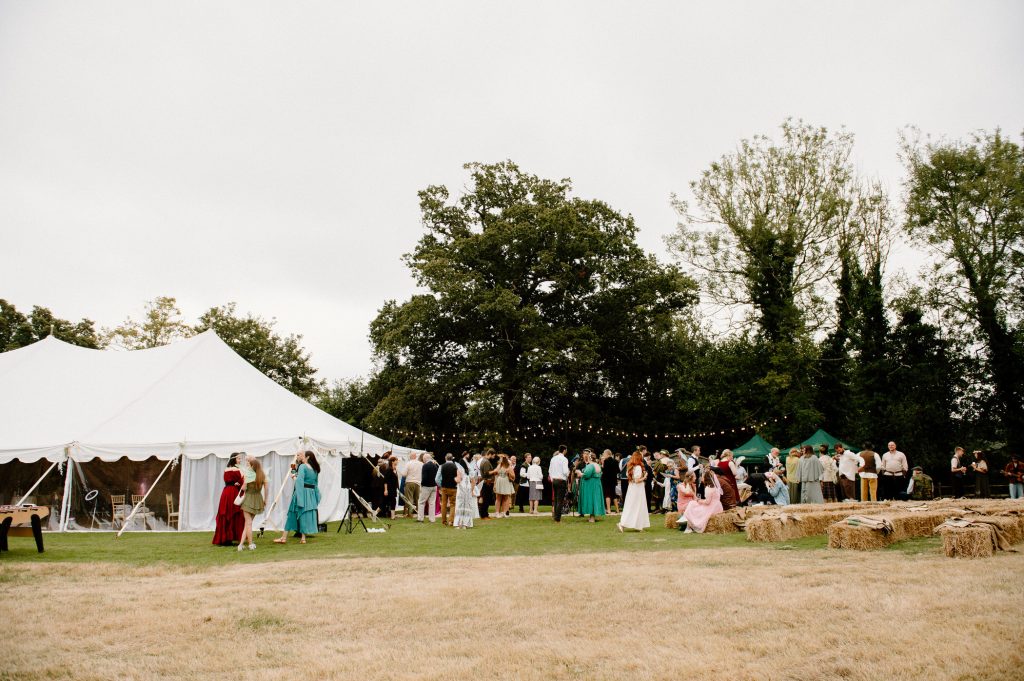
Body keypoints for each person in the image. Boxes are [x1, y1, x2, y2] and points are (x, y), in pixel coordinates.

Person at [275, 451, 320, 544]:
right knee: (304, 514)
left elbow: (299, 481)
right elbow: (315, 484)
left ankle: (284, 538)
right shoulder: (315, 469)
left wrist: (294, 477)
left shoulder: (303, 466)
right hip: (310, 494)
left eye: (302, 455)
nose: (300, 457)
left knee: (292, 514)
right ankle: (303, 538)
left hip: (302, 493)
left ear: (307, 457)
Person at [212, 453, 245, 546]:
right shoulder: (237, 470)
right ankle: (232, 537)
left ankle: (225, 538)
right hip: (233, 493)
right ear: (234, 459)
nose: (240, 460)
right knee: (233, 513)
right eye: (238, 458)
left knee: (226, 513)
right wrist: (238, 482)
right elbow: (243, 481)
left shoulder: (226, 470)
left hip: (226, 493)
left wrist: (237, 482)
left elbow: (230, 481)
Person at [237, 455, 268, 551]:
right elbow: (267, 489)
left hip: (248, 499)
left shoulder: (248, 474)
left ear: (252, 465)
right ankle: (241, 545)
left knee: (248, 523)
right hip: (258, 499)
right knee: (249, 523)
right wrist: (265, 500)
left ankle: (248, 544)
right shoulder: (263, 475)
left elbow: (243, 488)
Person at [617, 451, 649, 532]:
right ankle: (623, 524)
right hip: (637, 489)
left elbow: (630, 478)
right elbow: (637, 480)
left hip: (632, 488)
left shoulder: (630, 467)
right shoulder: (638, 467)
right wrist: (644, 477)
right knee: (637, 506)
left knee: (632, 506)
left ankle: (638, 525)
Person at [576, 451, 606, 522]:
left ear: (590, 458)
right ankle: (591, 517)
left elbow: (586, 475)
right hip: (596, 485)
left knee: (591, 500)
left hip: (590, 486)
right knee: (594, 499)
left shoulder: (590, 466)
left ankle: (592, 518)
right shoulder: (597, 465)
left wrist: (579, 473)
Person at [453, 457, 479, 529]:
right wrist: (471, 490)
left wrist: (454, 479)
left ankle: (459, 524)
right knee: (467, 506)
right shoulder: (469, 471)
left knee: (459, 506)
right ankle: (466, 524)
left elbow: (458, 480)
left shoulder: (459, 470)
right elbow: (473, 482)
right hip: (468, 489)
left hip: (461, 488)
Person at [549, 446, 570, 522]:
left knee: (556, 500)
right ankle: (557, 519)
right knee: (560, 500)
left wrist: (552, 479)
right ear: (564, 450)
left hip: (554, 480)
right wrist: (568, 472)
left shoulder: (553, 458)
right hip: (561, 481)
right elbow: (565, 471)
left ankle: (555, 516)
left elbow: (550, 470)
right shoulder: (564, 459)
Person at [438, 453, 460, 526]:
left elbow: (438, 478)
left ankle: (444, 521)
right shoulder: (455, 466)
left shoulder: (442, 466)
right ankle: (451, 521)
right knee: (453, 504)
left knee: (443, 504)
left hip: (444, 487)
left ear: (445, 458)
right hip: (453, 487)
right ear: (452, 458)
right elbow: (457, 477)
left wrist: (440, 485)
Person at [418, 453, 439, 523]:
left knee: (421, 502)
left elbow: (424, 477)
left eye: (423, 459)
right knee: (432, 503)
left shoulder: (425, 466)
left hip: (426, 486)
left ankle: (420, 518)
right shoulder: (435, 465)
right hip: (434, 486)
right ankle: (432, 519)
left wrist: (422, 484)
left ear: (425, 459)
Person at [403, 453, 423, 518]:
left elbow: (404, 474)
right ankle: (419, 513)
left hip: (409, 481)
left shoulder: (408, 463)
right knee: (417, 499)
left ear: (411, 457)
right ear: (416, 457)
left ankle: (410, 513)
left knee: (409, 498)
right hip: (418, 483)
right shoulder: (421, 464)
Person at [601, 450, 620, 514]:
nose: (603, 455)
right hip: (613, 480)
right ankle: (617, 509)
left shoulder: (606, 461)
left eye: (604, 454)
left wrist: (602, 464)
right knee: (614, 495)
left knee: (607, 495)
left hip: (606, 480)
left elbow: (604, 471)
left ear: (607, 454)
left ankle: (609, 510)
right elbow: (618, 470)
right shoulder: (615, 461)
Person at [478, 449, 495, 520]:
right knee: (485, 499)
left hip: (488, 482)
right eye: (493, 455)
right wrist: (495, 471)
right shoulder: (485, 462)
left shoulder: (485, 461)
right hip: (487, 482)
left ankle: (486, 514)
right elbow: (487, 473)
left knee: (487, 499)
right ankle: (483, 515)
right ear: (490, 454)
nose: (494, 457)